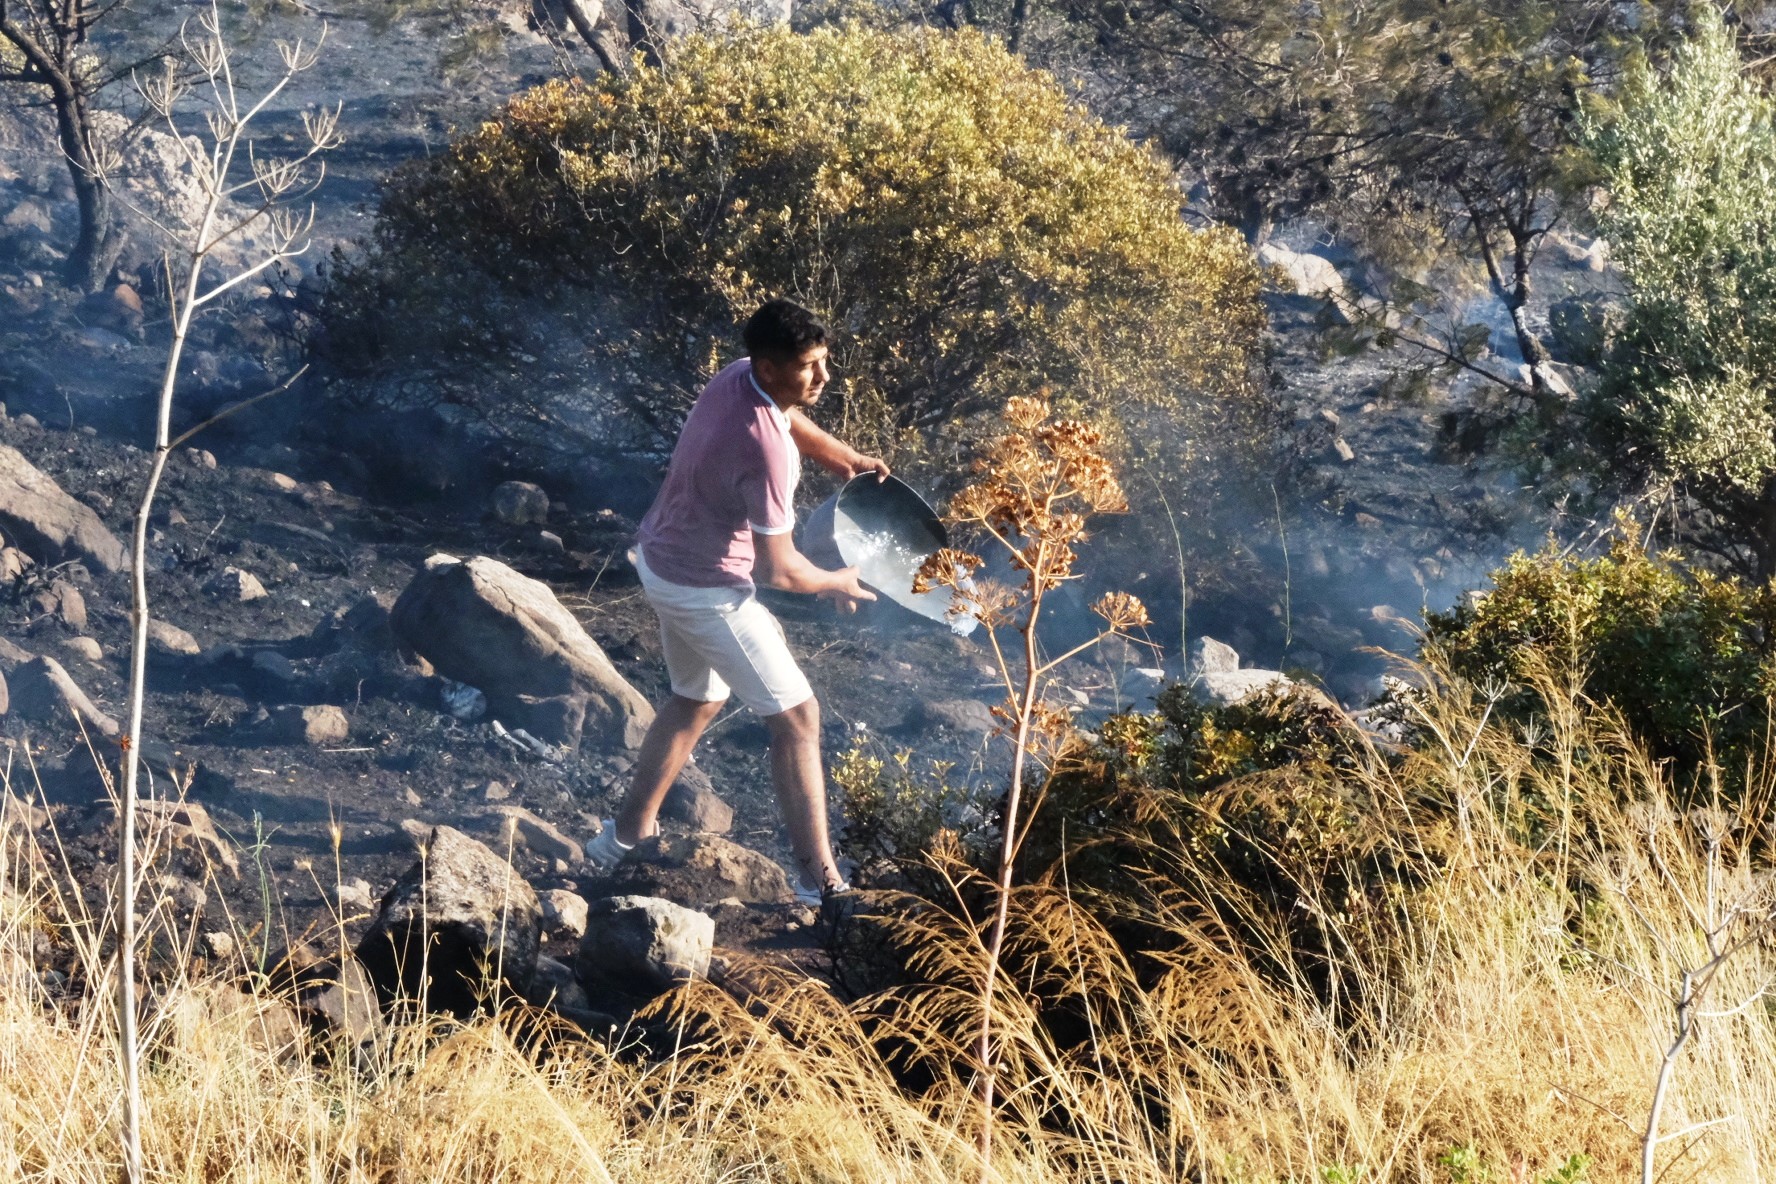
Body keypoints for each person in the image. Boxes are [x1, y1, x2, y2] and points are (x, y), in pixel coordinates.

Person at [585, 299, 887, 905]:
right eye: (810, 366)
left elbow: (789, 416)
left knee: (696, 698)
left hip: (663, 559)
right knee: (798, 719)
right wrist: (839, 580)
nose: (823, 377)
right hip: (705, 589)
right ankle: (820, 883)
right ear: (772, 367)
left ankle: (621, 840)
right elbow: (777, 568)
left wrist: (843, 458)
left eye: (824, 362)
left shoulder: (737, 376)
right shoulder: (763, 451)